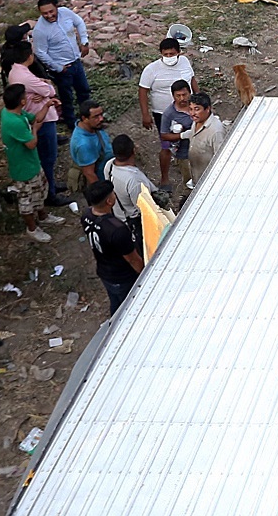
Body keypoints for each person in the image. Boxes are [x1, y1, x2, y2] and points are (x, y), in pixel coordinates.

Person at [0, 84, 55, 244]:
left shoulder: (14, 112)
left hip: (32, 163)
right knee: (26, 200)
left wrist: (46, 106)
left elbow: (35, 118)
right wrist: (35, 130)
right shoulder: (14, 122)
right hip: (23, 169)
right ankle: (31, 228)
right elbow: (31, 143)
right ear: (22, 101)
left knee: (39, 190)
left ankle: (43, 216)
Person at [136, 36, 197, 183]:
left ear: (179, 52)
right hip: (164, 115)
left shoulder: (184, 62)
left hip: (189, 111)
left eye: (172, 54)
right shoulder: (152, 70)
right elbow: (143, 91)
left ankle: (191, 168)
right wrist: (145, 114)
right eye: (166, 54)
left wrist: (200, 100)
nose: (169, 57)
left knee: (194, 138)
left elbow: (192, 80)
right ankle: (164, 178)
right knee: (166, 145)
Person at [81, 179, 143, 314]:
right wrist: (144, 275)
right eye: (113, 194)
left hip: (104, 272)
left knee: (115, 304)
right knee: (128, 308)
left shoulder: (86, 215)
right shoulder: (117, 230)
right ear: (109, 201)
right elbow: (132, 259)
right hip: (123, 277)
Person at [30, 0, 91, 130]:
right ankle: (72, 124)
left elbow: (79, 22)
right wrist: (57, 67)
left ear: (56, 7)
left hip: (76, 61)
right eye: (45, 13)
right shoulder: (40, 30)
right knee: (66, 98)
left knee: (84, 91)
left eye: (51, 11)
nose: (49, 15)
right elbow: (40, 52)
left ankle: (88, 117)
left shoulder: (65, 13)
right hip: (63, 69)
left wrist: (84, 42)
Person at [184, 92, 226, 188]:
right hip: (197, 178)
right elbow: (192, 134)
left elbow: (220, 161)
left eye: (197, 109)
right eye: (190, 109)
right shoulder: (196, 122)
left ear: (207, 109)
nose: (192, 113)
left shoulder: (216, 131)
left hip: (209, 185)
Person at [69, 103, 114, 188]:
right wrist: (103, 191)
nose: (101, 119)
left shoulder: (92, 126)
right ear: (84, 119)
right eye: (96, 116)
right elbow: (89, 173)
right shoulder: (84, 145)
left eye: (101, 114)